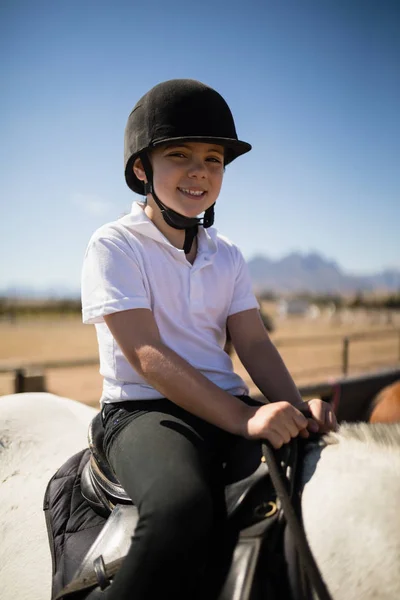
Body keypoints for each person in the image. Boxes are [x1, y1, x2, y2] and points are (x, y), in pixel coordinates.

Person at [81, 79, 337, 599]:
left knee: (307, 475)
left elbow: (255, 344)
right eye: (179, 155)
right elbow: (148, 357)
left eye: (213, 160)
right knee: (179, 508)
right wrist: (246, 417)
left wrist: (292, 407)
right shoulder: (114, 245)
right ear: (141, 169)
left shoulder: (229, 255)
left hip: (223, 404)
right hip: (145, 412)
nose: (199, 171)